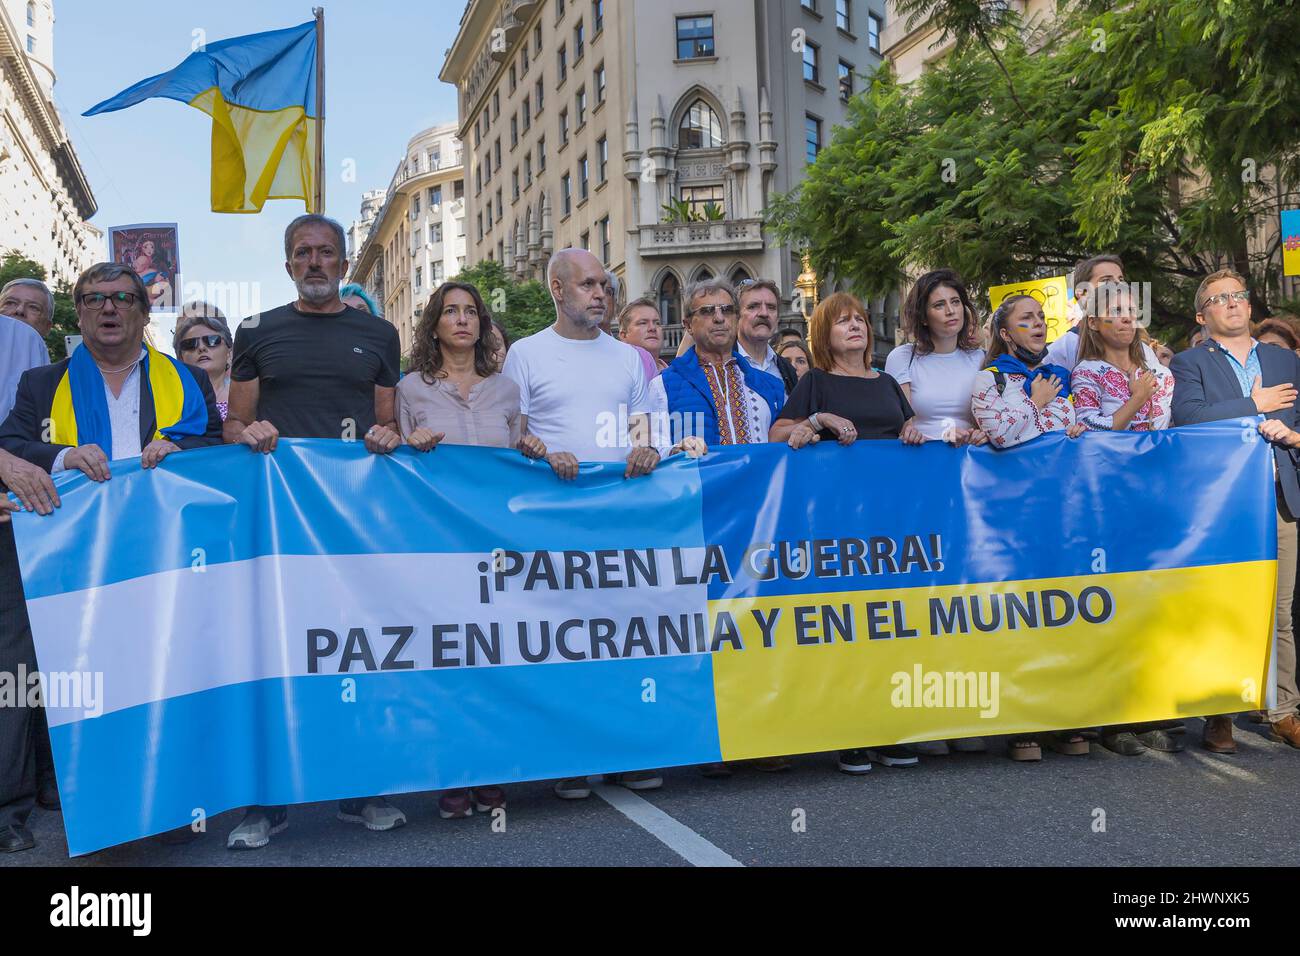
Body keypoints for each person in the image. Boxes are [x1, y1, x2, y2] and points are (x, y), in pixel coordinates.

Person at [0, 263, 222, 852]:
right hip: (71, 554)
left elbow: (215, 445)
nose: (108, 308)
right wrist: (65, 454)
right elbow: (12, 443)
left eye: (122, 298)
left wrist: (178, 446)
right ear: (79, 311)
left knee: (155, 668)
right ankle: (43, 803)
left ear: (144, 313)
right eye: (94, 298)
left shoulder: (186, 381)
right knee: (53, 671)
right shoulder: (42, 383)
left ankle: (166, 796)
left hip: (159, 554)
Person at [224, 214, 406, 849]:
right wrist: (248, 433)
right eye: (303, 253)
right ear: (288, 265)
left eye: (327, 252)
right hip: (277, 526)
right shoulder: (257, 331)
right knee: (272, 659)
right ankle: (263, 804)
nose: (315, 262)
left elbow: (388, 427)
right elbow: (232, 427)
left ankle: (362, 793)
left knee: (356, 652)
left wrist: (389, 437)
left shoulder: (379, 333)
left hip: (353, 525)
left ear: (343, 261)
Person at [501, 248, 668, 799]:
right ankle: (568, 756)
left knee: (622, 636)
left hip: (621, 522)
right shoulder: (525, 355)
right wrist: (539, 449)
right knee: (563, 639)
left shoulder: (627, 359)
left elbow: (649, 427)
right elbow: (512, 433)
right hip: (554, 520)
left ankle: (627, 751)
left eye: (606, 285)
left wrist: (647, 451)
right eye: (589, 285)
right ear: (556, 289)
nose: (601, 294)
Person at [395, 280, 545, 819]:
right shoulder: (410, 388)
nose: (462, 320)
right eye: (450, 311)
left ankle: (494, 770)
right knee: (450, 661)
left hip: (497, 546)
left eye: (471, 312)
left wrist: (534, 448)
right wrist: (409, 446)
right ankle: (453, 772)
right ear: (433, 324)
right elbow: (396, 464)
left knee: (496, 658)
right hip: (438, 546)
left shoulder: (505, 390)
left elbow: (520, 459)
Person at [769, 291, 925, 775]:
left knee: (893, 626)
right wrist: (818, 420)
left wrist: (914, 427)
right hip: (838, 521)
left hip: (894, 519)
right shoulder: (815, 381)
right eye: (843, 322)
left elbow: (906, 423)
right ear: (824, 334)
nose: (855, 326)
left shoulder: (887, 383)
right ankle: (850, 733)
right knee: (850, 627)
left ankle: (889, 727)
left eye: (859, 319)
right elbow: (777, 433)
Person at [1170, 268, 1300, 753]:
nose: (1233, 303)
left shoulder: (1284, 361)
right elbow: (1188, 417)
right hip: (1224, 505)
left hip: (1281, 497)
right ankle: (1219, 715)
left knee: (1279, 613)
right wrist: (1254, 404)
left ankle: (1284, 710)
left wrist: (1292, 435)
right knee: (1223, 608)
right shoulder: (1190, 363)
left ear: (1250, 306)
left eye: (1239, 296)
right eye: (1220, 299)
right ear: (1202, 315)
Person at [970, 293, 1089, 761]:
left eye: (1041, 318)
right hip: (1014, 514)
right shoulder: (992, 379)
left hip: (1064, 511)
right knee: (1023, 617)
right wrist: (1034, 402)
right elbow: (1001, 434)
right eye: (1026, 320)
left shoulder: (1062, 378)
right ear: (1005, 333)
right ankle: (1023, 724)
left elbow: (1072, 429)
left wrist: (1079, 430)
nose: (1038, 325)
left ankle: (1066, 716)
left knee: (1067, 616)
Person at [885, 269, 989, 446]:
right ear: (923, 317)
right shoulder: (902, 357)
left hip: (967, 461)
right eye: (939, 305)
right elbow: (902, 424)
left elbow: (986, 421)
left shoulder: (981, 358)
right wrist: (911, 435)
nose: (950, 311)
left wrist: (980, 435)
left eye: (955, 302)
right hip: (921, 460)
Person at [1071, 282, 1174, 434]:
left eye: (1132, 310)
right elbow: (1088, 430)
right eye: (1116, 310)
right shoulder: (1086, 372)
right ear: (1093, 322)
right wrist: (1138, 398)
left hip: (1161, 456)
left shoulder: (1160, 372)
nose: (1128, 318)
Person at [1045, 254, 1126, 371]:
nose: (1118, 285)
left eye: (1121, 279)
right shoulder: (1062, 350)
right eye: (1106, 280)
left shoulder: (1138, 343)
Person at [173, 302, 234, 421]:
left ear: (229, 352)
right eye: (190, 344)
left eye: (212, 340)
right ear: (180, 357)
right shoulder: (169, 398)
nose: (201, 348)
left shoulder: (248, 395)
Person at [736, 279, 798, 394]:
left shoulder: (787, 370)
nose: (764, 313)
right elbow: (694, 411)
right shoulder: (718, 365)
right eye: (753, 306)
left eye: (771, 307)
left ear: (777, 318)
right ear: (736, 316)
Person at [617, 297, 669, 372]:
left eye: (657, 323)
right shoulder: (614, 374)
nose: (652, 328)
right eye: (643, 323)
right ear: (624, 335)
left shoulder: (678, 376)